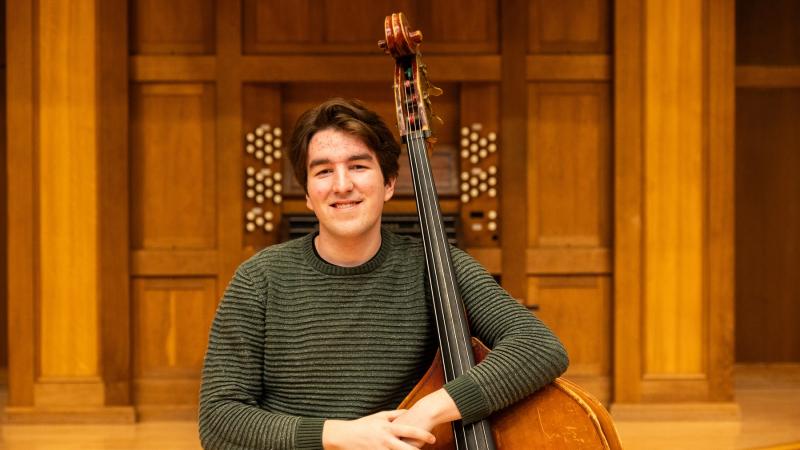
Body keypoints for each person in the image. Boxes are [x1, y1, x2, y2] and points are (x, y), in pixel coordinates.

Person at [199, 98, 568, 450]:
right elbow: (218, 420)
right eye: (324, 171)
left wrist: (427, 411)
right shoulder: (259, 279)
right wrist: (340, 436)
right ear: (308, 194)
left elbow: (539, 347)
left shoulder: (437, 266)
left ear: (389, 183)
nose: (342, 185)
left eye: (358, 166)